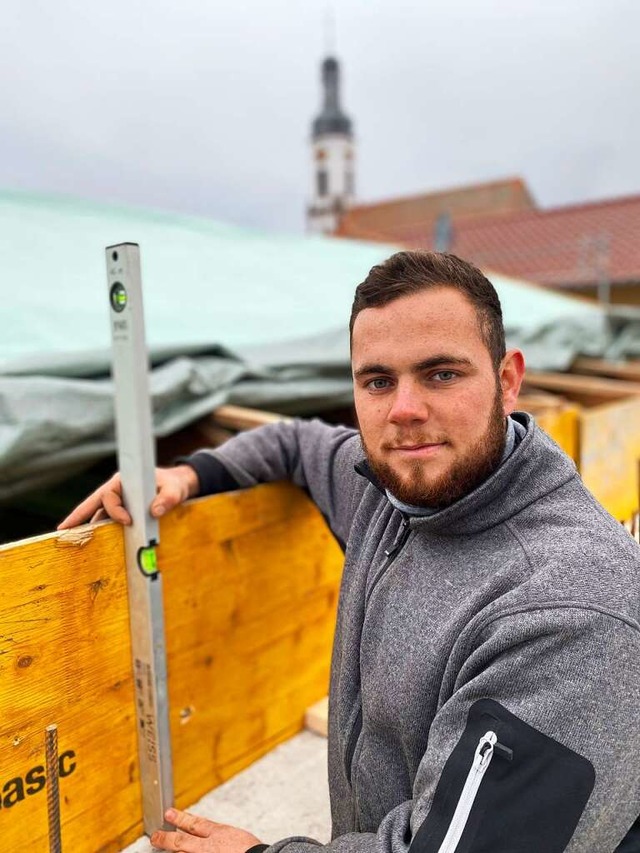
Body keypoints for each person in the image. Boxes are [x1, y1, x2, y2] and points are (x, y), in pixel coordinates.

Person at [59, 251, 640, 853]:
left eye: (442, 374)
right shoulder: (390, 490)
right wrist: (190, 475)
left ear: (508, 380)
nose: (404, 410)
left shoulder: (571, 611)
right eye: (378, 381)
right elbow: (295, 441)